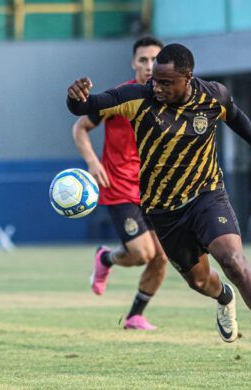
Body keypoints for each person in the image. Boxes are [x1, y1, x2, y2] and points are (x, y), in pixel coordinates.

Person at [66, 43, 251, 369]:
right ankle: (223, 297)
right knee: (200, 282)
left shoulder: (213, 95)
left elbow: (236, 117)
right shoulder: (138, 97)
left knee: (234, 261)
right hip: (163, 211)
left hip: (207, 195)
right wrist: (75, 98)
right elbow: (85, 108)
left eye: (165, 82)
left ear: (187, 77)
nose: (157, 86)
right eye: (155, 80)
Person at [72, 36, 167, 330]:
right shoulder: (121, 96)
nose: (150, 66)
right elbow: (80, 127)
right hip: (120, 188)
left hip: (153, 190)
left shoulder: (168, 99)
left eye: (155, 60)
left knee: (162, 257)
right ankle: (106, 258)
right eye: (143, 60)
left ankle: (135, 315)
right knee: (141, 254)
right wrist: (92, 162)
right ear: (133, 62)